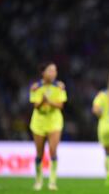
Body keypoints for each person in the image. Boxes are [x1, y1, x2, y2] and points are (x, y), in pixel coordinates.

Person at [29, 62, 67, 191]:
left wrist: (48, 101)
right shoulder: (35, 87)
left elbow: (61, 105)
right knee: (39, 153)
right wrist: (42, 101)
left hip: (54, 121)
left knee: (52, 150)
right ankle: (39, 180)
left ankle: (52, 181)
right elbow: (35, 106)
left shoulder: (60, 87)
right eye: (50, 70)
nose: (53, 73)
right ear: (43, 73)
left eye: (55, 71)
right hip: (38, 122)